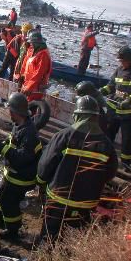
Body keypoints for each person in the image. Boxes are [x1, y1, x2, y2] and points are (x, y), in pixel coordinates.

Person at [37, 96, 118, 243]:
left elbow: (45, 165)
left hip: (58, 200)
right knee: (72, 239)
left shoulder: (64, 136)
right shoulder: (107, 145)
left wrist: (41, 183)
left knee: (49, 235)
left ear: (78, 115)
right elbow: (110, 173)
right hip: (87, 204)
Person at [0, 93, 42, 239]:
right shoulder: (19, 126)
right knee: (1, 194)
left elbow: (22, 158)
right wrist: (2, 143)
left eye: (9, 110)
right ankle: (0, 219)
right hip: (12, 173)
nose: (8, 113)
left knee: (9, 202)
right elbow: (14, 144)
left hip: (21, 177)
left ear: (14, 112)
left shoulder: (29, 134)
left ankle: (12, 230)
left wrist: (1, 148)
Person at [100, 46, 131, 167]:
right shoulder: (119, 70)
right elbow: (111, 85)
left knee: (127, 140)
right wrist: (102, 91)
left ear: (130, 59)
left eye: (123, 60)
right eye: (120, 61)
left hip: (129, 113)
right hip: (113, 110)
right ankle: (105, 159)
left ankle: (125, 165)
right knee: (108, 136)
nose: (121, 63)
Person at [20, 31, 52, 101]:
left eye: (32, 43)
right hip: (28, 85)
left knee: (31, 108)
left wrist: (29, 87)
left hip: (35, 88)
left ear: (37, 43)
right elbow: (28, 65)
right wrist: (22, 76)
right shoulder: (34, 51)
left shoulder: (43, 55)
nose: (31, 44)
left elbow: (38, 74)